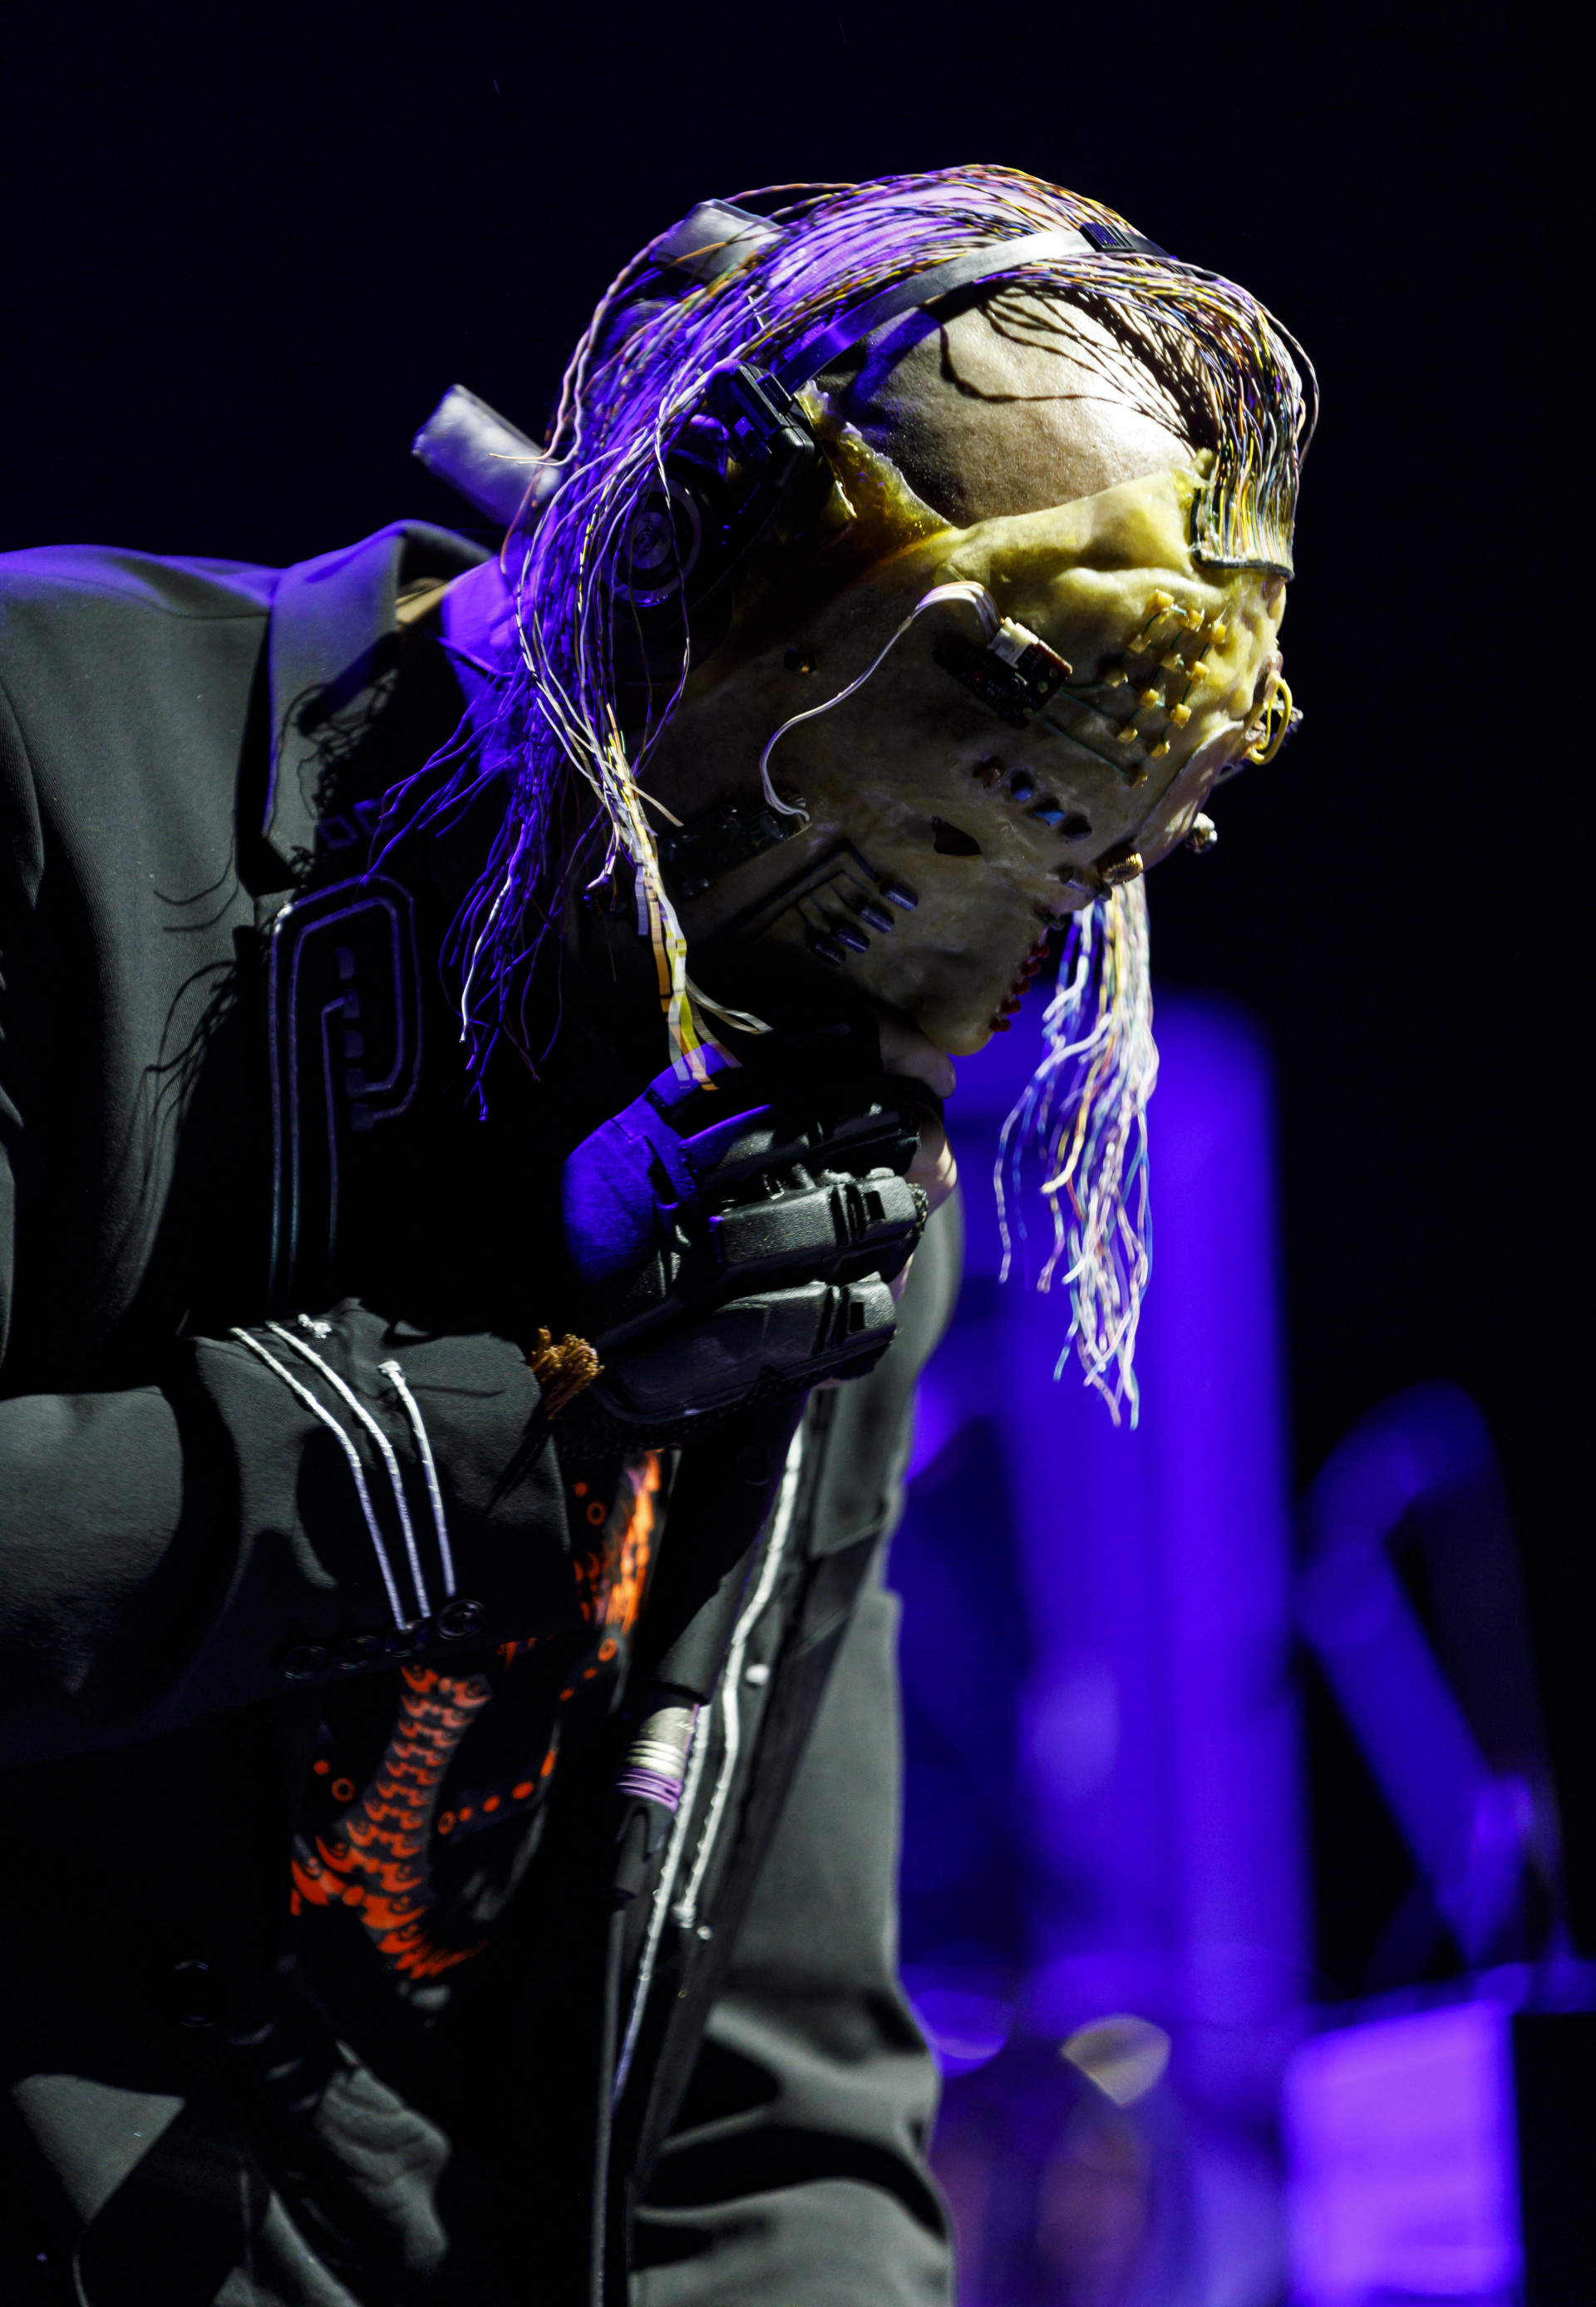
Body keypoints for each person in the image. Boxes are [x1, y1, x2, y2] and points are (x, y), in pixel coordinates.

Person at [0, 165, 1310, 2304]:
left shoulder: (816, 1180)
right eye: (911, 845)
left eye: (1057, 899)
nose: (959, 1005)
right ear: (667, 560)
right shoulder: (47, 750)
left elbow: (766, 2106)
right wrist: (510, 1413)